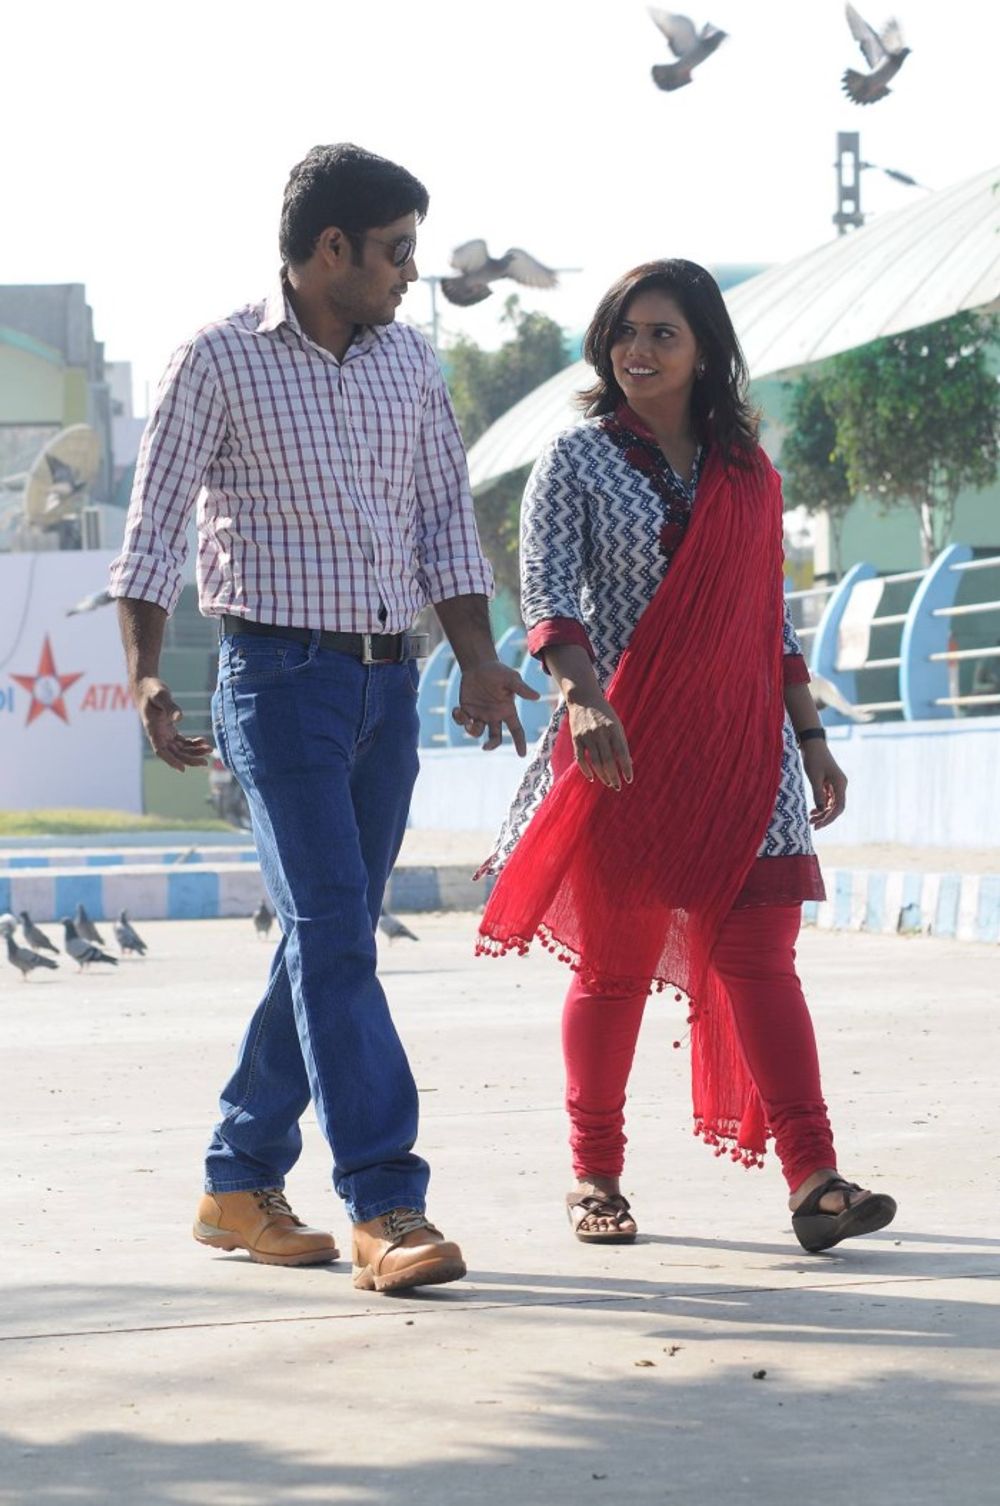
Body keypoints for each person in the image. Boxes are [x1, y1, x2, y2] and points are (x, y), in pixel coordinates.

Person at [109, 143, 536, 1293]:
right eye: (395, 251)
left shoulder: (410, 362)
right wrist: (144, 674)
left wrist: (477, 660)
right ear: (330, 248)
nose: (410, 272)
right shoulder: (217, 358)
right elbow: (151, 533)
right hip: (278, 683)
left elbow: (444, 521)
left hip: (387, 690)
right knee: (339, 934)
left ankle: (237, 1178)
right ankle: (386, 1204)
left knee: (323, 934)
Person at [476, 260, 897, 1255]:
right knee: (616, 966)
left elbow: (769, 620)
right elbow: (548, 599)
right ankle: (594, 1174)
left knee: (761, 957)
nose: (638, 350)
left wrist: (811, 738)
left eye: (662, 333)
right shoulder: (575, 460)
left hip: (747, 746)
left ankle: (814, 1179)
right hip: (623, 742)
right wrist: (582, 699)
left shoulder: (748, 473)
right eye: (624, 332)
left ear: (705, 348)